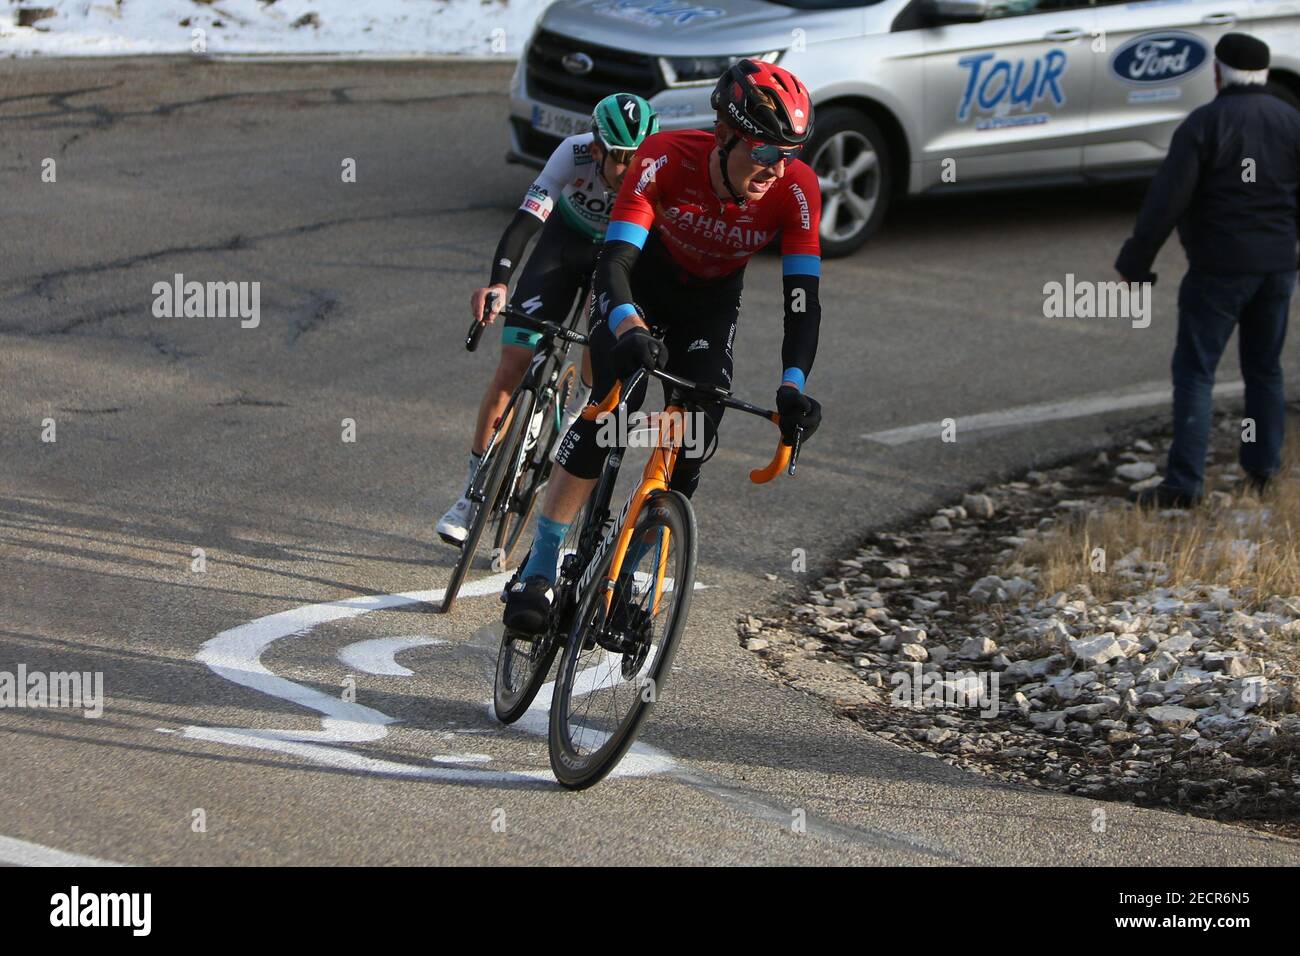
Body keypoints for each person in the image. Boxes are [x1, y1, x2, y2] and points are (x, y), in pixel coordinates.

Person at [503, 58, 825, 634]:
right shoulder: (662, 158)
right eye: (764, 151)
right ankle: (542, 562)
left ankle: (636, 571)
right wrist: (628, 326)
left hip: (709, 304)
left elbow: (801, 299)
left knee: (696, 431)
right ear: (724, 135)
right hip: (637, 288)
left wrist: (793, 386)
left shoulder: (796, 189)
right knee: (611, 415)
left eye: (789, 154)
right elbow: (615, 262)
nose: (777, 169)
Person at [436, 93, 659, 545]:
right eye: (620, 159)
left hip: (615, 257)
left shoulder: (655, 171)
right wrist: (499, 283)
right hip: (564, 243)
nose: (629, 169)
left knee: (602, 353)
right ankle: (470, 494)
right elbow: (525, 222)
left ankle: (576, 407)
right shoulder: (571, 153)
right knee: (512, 365)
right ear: (595, 149)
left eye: (638, 158)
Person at [1116, 33, 1300, 508]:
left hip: (1218, 269)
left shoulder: (1204, 124)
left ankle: (1184, 485)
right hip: (1277, 267)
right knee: (1264, 369)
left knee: (1197, 372)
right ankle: (1262, 471)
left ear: (1217, 72)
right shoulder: (1290, 121)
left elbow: (1166, 201)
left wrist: (1138, 259)